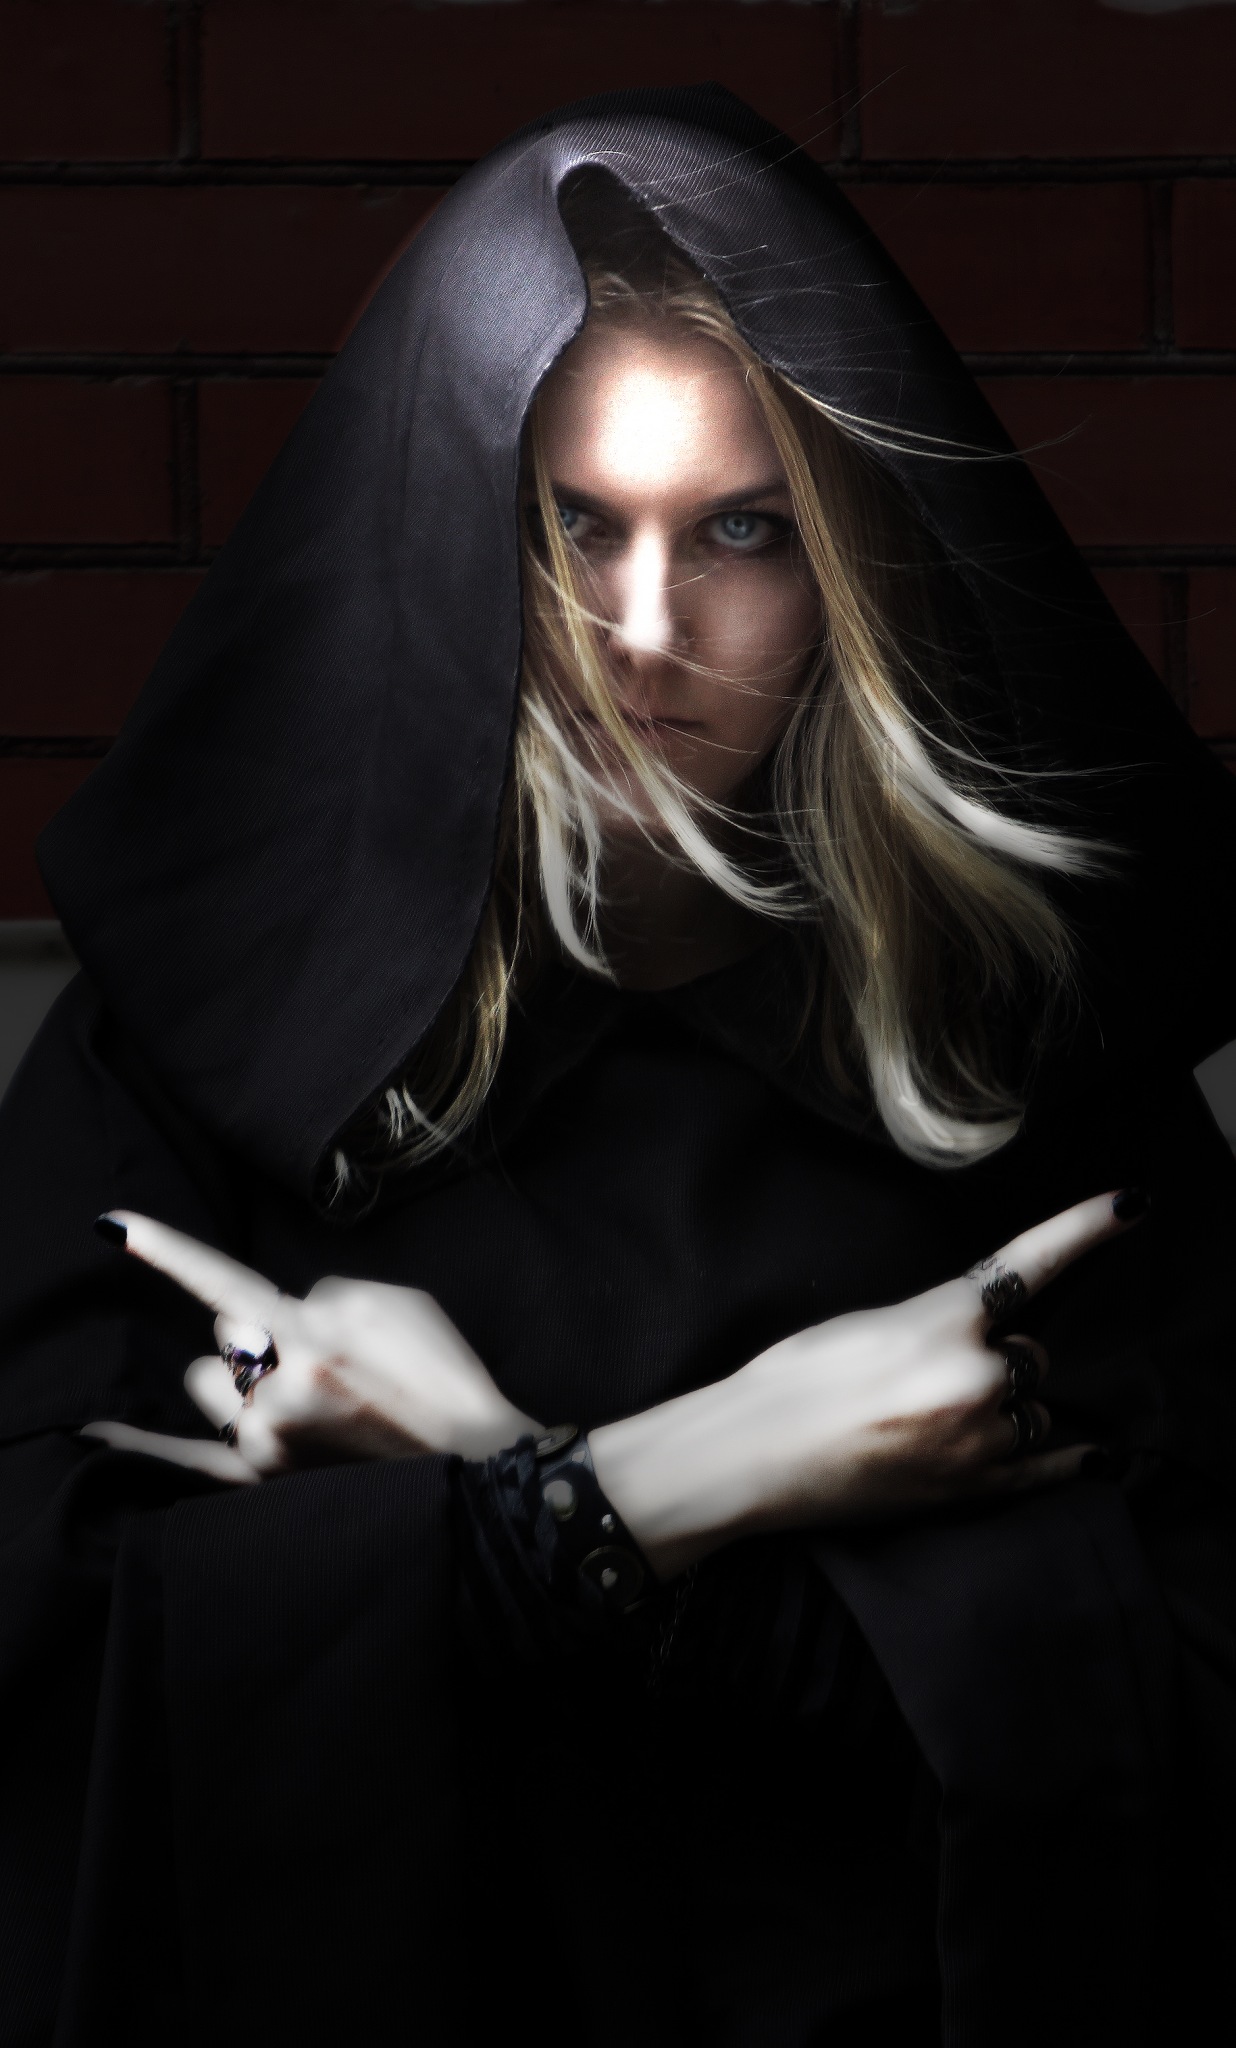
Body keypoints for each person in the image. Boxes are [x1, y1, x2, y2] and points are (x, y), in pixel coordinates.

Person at [1, 88, 1233, 2048]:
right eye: (575, 524)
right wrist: (677, 1481)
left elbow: (1176, 1760)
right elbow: (53, 1706)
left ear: (849, 569)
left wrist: (498, 1512)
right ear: (455, 536)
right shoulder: (193, 1059)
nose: (645, 634)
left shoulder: (1036, 1068)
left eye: (743, 529)